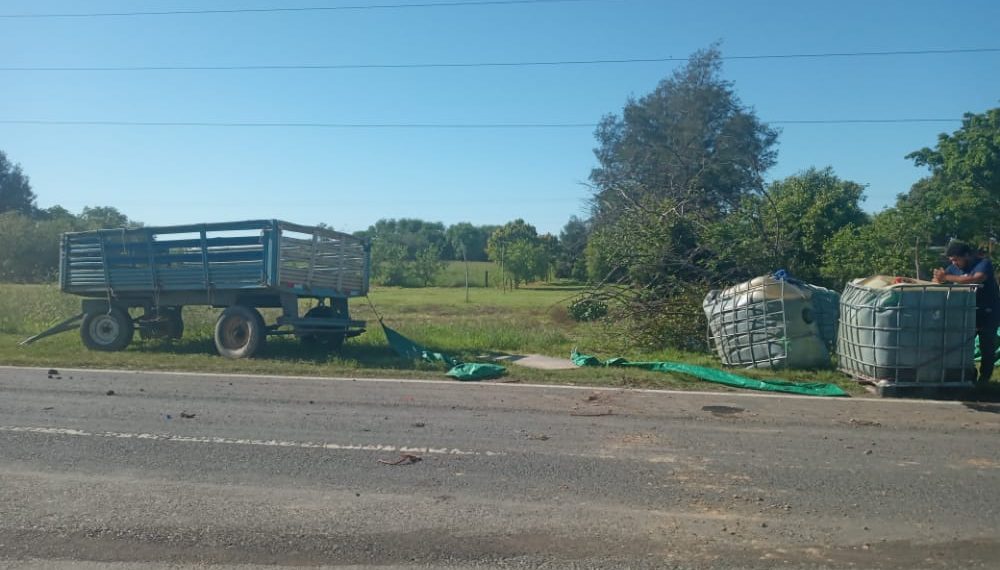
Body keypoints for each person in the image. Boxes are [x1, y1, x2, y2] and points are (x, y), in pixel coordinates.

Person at [933, 242, 1000, 385]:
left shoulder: (983, 263)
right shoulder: (953, 268)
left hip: (988, 311)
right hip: (967, 312)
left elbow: (976, 278)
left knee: (986, 346)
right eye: (951, 260)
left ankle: (984, 379)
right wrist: (938, 279)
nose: (954, 263)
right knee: (960, 345)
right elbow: (941, 280)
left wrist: (946, 278)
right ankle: (968, 374)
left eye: (956, 259)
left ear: (967, 256)